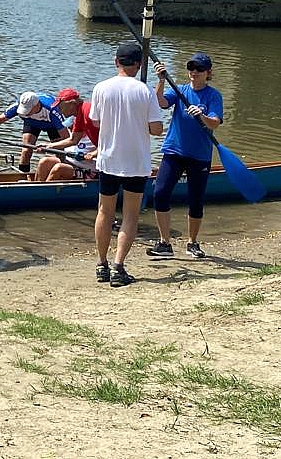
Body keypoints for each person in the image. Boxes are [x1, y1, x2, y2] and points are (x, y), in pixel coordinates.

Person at [88, 43, 164, 288]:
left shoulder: (101, 88)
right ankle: (119, 266)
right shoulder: (145, 91)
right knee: (130, 214)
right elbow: (156, 129)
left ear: (115, 61)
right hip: (135, 162)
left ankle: (102, 264)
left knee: (104, 211)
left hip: (109, 159)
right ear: (139, 65)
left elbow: (96, 122)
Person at [146, 53, 224, 260]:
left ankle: (193, 243)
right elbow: (160, 102)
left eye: (199, 69)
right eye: (191, 68)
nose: (194, 72)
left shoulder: (213, 96)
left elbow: (215, 123)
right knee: (160, 194)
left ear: (208, 73)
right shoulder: (180, 90)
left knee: (196, 200)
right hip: (174, 150)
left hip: (199, 155)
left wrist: (201, 115)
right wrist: (161, 80)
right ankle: (165, 243)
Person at [0, 88, 81, 174]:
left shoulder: (52, 110)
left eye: (28, 110)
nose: (25, 112)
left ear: (36, 105)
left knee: (59, 152)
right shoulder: (18, 105)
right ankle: (23, 177)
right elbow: (0, 119)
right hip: (31, 124)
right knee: (26, 150)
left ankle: (62, 172)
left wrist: (51, 146)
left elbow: (66, 137)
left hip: (52, 126)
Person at [33, 89, 101, 181]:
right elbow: (73, 140)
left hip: (91, 170)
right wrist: (48, 146)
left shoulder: (88, 112)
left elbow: (107, 140)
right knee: (44, 162)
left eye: (60, 107)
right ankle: (37, 189)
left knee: (59, 168)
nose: (59, 110)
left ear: (72, 103)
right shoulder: (78, 116)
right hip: (74, 164)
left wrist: (93, 154)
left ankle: (43, 193)